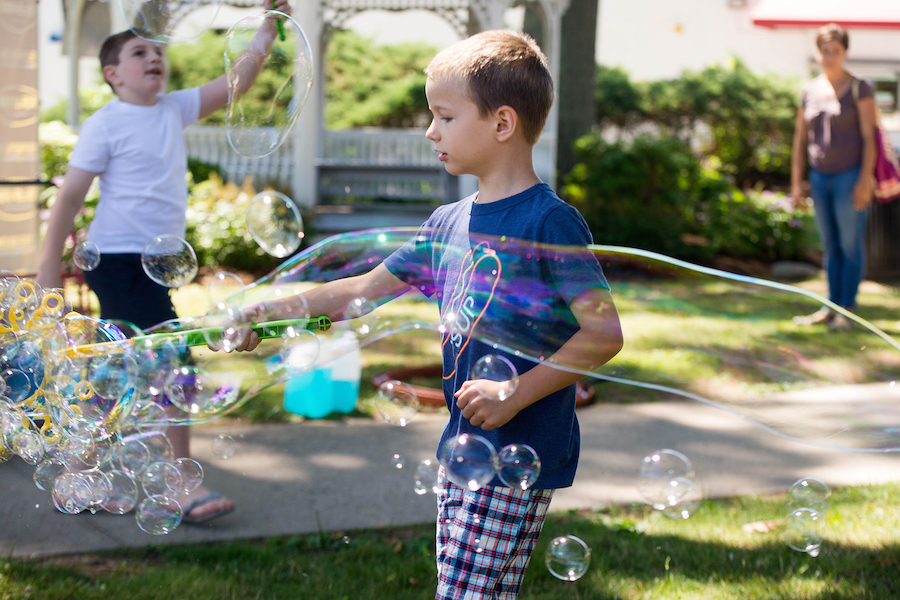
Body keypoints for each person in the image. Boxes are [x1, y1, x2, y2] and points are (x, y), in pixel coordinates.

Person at [232, 30, 624, 599]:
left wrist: (515, 393)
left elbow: (604, 333)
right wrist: (268, 310)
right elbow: (362, 290)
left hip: (520, 449)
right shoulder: (446, 223)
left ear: (502, 124)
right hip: (463, 443)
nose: (430, 130)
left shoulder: (548, 223)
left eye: (444, 116)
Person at [36, 0, 293, 523]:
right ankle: (178, 484)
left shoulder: (172, 108)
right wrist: (46, 269)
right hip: (118, 260)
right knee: (174, 360)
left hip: (151, 260)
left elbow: (235, 82)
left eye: (157, 51)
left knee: (118, 367)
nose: (154, 57)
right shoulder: (105, 124)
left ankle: (77, 478)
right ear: (113, 74)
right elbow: (69, 198)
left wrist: (268, 29)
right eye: (139, 52)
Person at [791, 23, 877, 332]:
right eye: (824, 51)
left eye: (835, 51)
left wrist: (865, 180)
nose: (829, 56)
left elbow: (871, 137)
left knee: (850, 243)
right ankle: (830, 307)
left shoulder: (860, 87)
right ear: (818, 53)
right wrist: (796, 181)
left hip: (850, 176)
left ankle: (847, 310)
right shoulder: (809, 90)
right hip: (819, 176)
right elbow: (800, 139)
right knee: (830, 246)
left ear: (845, 53)